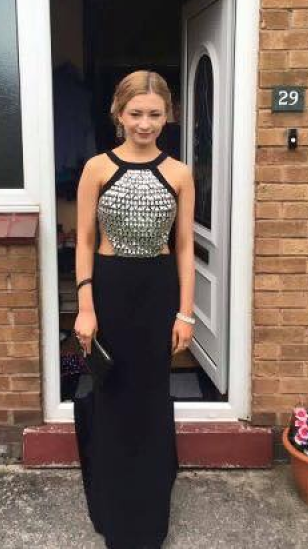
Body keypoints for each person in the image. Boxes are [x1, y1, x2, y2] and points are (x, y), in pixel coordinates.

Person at [73, 70, 195, 549]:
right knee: (113, 399)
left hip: (157, 292)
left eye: (155, 114)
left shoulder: (179, 173)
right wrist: (85, 307)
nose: (145, 124)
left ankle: (149, 517)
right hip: (110, 291)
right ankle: (115, 513)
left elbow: (184, 246)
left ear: (168, 116)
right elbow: (84, 241)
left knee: (150, 400)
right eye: (136, 113)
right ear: (119, 114)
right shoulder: (97, 168)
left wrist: (185, 312)